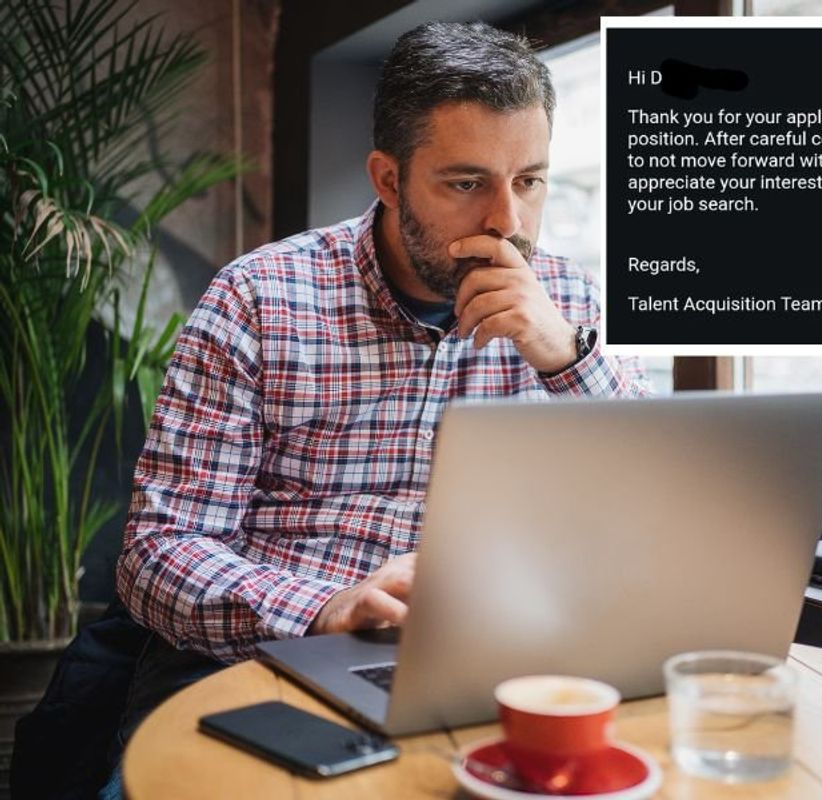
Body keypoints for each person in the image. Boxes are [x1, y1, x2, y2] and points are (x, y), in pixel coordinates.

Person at [95, 20, 651, 797]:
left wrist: (566, 357)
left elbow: (651, 511)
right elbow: (158, 555)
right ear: (388, 180)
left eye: (529, 180)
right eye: (466, 183)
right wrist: (323, 606)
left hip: (493, 664)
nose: (507, 223)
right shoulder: (259, 299)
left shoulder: (572, 305)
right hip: (269, 660)